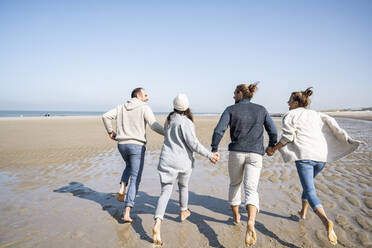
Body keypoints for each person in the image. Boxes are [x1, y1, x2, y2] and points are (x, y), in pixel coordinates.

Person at [267, 87, 363, 246]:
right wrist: (349, 141)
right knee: (308, 185)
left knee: (310, 190)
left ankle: (326, 222)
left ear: (296, 102)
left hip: (305, 157)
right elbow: (335, 128)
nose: (287, 103)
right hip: (321, 157)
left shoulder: (290, 115)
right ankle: (303, 213)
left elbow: (288, 137)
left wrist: (273, 149)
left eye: (290, 100)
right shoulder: (318, 114)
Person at [211, 83, 278, 246]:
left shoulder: (230, 109)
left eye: (235, 93)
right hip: (256, 154)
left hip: (236, 153)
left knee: (235, 184)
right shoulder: (261, 109)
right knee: (251, 189)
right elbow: (273, 131)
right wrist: (271, 145)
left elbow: (219, 130)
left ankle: (236, 218)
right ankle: (251, 222)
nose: (233, 96)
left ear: (241, 93)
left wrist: (214, 148)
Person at [152, 94, 220, 245]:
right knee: (183, 187)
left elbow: (167, 134)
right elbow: (193, 144)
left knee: (165, 193)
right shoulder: (187, 122)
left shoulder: (169, 119)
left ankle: (157, 223)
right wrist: (210, 155)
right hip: (182, 163)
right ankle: (183, 211)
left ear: (174, 106)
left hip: (167, 160)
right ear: (187, 107)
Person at [102, 87, 164, 223]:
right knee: (135, 179)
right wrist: (167, 133)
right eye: (145, 95)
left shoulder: (121, 107)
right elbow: (154, 125)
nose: (147, 98)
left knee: (129, 165)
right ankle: (126, 212)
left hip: (122, 145)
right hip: (136, 146)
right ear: (138, 95)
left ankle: (122, 186)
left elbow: (105, 116)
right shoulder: (144, 107)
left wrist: (110, 132)